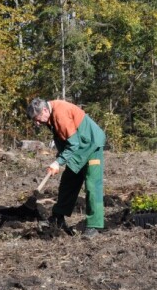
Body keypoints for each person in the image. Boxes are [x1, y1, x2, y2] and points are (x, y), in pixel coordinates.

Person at [27, 98, 105, 237]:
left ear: (44, 110)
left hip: (91, 145)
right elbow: (65, 138)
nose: (37, 123)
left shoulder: (60, 114)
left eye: (37, 118)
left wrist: (58, 162)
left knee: (92, 185)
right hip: (79, 148)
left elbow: (73, 144)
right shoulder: (50, 114)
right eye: (34, 120)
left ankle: (94, 225)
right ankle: (58, 217)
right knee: (68, 181)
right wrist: (60, 158)